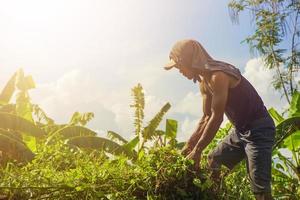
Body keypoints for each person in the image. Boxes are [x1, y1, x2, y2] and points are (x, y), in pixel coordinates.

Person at [163, 39, 275, 200]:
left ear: (189, 60)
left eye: (179, 65)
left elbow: (217, 118)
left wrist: (198, 150)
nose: (179, 70)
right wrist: (189, 147)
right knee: (214, 160)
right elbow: (206, 117)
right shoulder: (204, 84)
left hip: (259, 129)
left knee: (259, 187)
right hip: (241, 130)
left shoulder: (218, 76)